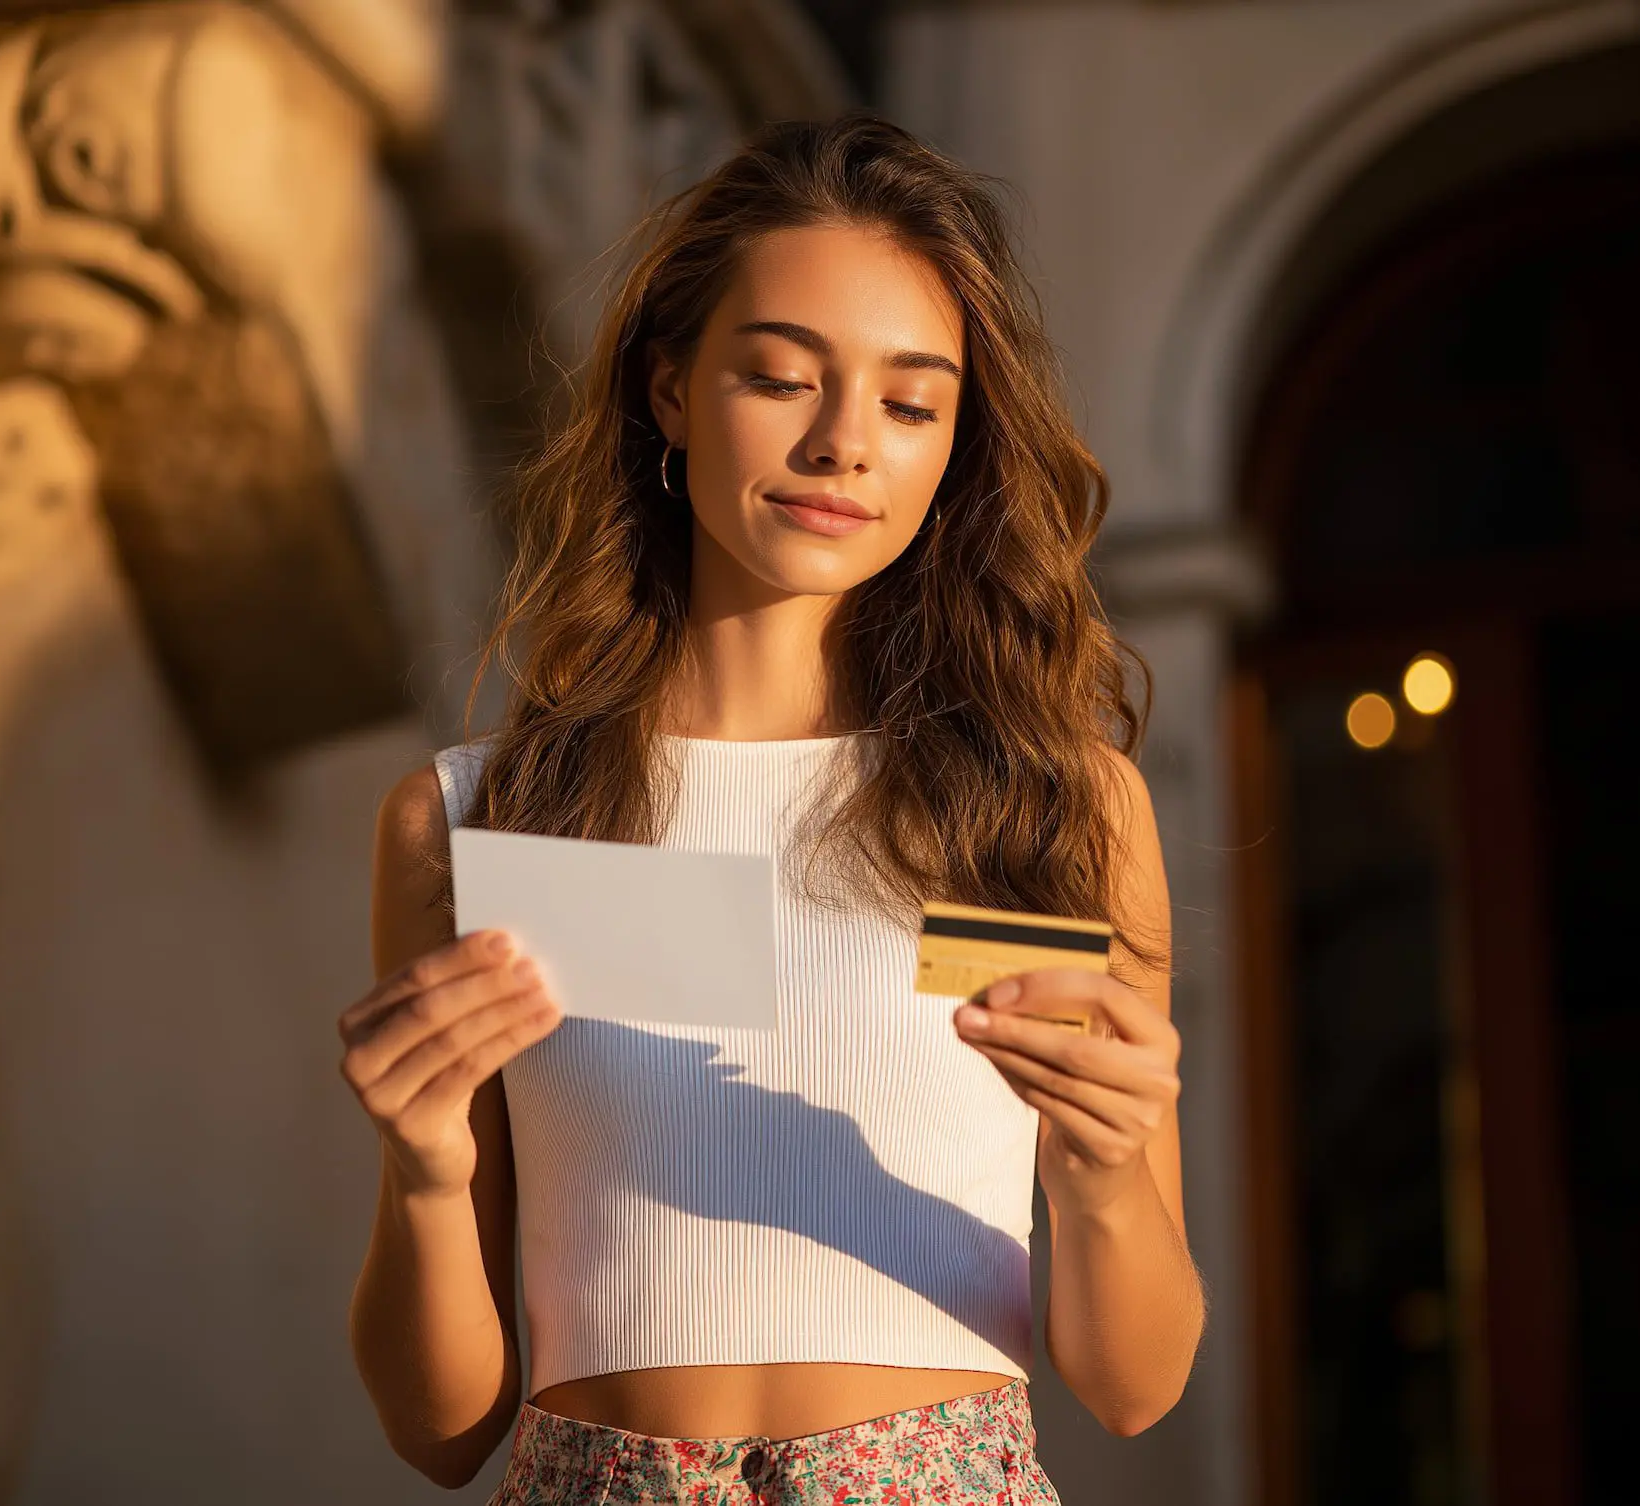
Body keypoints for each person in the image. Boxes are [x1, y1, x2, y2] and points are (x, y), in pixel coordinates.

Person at [339, 112, 1206, 1505]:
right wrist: (427, 1177)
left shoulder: (1047, 805)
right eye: (782, 377)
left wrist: (1105, 1179)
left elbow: (1135, 1380)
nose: (844, 443)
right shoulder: (480, 819)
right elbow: (441, 1429)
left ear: (954, 447)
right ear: (672, 390)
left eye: (912, 404)